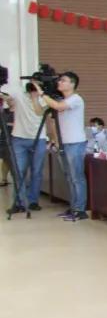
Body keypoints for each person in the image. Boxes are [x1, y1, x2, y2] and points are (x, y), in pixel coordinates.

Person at [33, 71, 88, 221]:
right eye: (59, 80)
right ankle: (73, 207)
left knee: (77, 177)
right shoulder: (58, 100)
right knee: (69, 177)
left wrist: (42, 93)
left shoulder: (76, 99)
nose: (59, 82)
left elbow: (58, 106)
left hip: (75, 143)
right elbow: (38, 111)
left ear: (72, 84)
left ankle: (80, 210)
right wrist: (35, 96)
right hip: (63, 143)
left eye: (63, 80)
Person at [0, 82, 46, 213]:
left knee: (36, 171)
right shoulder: (19, 93)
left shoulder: (45, 98)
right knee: (18, 171)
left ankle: (33, 201)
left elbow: (39, 112)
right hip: (18, 138)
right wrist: (7, 99)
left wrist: (36, 97)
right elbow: (6, 95)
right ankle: (19, 202)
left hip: (39, 138)